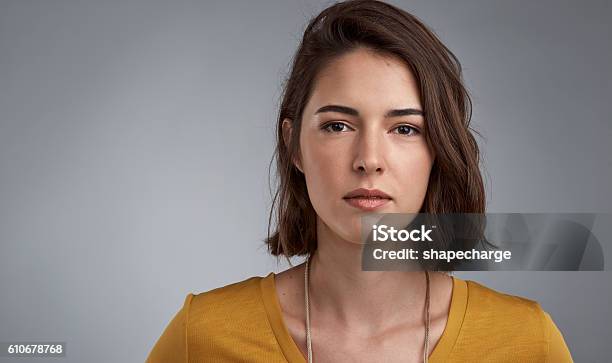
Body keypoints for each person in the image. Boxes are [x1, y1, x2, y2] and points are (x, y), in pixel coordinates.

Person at [146, 1, 573, 362]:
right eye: (337, 126)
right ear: (294, 145)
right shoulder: (200, 338)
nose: (369, 160)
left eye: (405, 129)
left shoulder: (528, 342)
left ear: (438, 150)